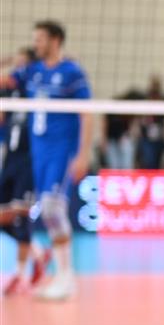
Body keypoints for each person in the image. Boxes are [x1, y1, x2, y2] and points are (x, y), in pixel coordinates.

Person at [2, 21, 94, 301]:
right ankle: (62, 277)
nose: (36, 44)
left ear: (55, 40)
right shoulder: (32, 71)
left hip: (61, 151)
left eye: (40, 39)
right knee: (47, 211)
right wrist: (10, 61)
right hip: (38, 153)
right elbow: (5, 81)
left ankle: (66, 277)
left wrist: (83, 154)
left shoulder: (72, 73)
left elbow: (87, 114)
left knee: (54, 208)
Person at [1, 47, 43, 296]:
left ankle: (19, 274)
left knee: (21, 216)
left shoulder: (38, 89)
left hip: (29, 161)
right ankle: (38, 253)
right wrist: (8, 59)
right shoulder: (12, 91)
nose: (18, 69)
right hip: (10, 160)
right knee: (3, 216)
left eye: (23, 64)